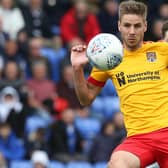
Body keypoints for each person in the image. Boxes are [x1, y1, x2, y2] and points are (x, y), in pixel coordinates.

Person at [70, 0, 168, 167]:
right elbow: (85, 99)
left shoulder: (162, 51)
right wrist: (77, 68)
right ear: (119, 26)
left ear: (145, 26)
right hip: (139, 139)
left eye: (137, 26)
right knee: (117, 163)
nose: (131, 31)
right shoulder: (108, 59)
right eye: (127, 25)